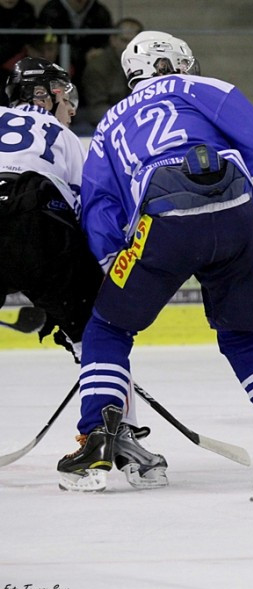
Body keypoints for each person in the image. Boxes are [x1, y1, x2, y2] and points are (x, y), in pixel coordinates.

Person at [56, 31, 253, 492]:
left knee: (108, 328)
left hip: (163, 222)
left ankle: (97, 436)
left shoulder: (109, 123)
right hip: (234, 216)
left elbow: (99, 209)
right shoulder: (207, 88)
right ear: (173, 64)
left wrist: (115, 257)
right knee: (246, 336)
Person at [0, 57, 166, 486]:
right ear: (47, 94)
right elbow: (84, 214)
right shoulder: (67, 139)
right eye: (65, 96)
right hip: (33, 220)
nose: (71, 108)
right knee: (99, 329)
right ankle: (114, 433)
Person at [78, 17, 143, 130]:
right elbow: (96, 109)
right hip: (105, 124)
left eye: (134, 42)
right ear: (113, 40)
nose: (129, 47)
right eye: (124, 40)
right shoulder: (97, 67)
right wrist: (129, 119)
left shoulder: (146, 64)